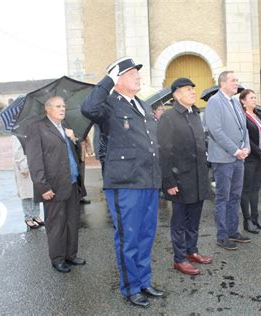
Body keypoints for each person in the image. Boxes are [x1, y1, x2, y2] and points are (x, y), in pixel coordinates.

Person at [81, 57, 164, 309]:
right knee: (129, 237)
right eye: (130, 74)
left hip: (148, 181)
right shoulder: (108, 104)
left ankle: (144, 281)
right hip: (125, 182)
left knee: (146, 235)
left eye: (137, 74)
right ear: (117, 80)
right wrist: (108, 79)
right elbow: (88, 109)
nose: (138, 77)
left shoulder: (142, 105)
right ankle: (131, 288)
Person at [157, 77, 212, 276]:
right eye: (187, 89)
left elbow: (200, 146)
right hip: (179, 179)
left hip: (198, 178)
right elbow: (164, 151)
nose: (192, 92)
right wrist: (168, 181)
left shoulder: (195, 114)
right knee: (179, 222)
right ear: (176, 94)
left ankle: (192, 250)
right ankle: (179, 259)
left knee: (194, 219)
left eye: (192, 89)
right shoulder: (168, 117)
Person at [25, 96, 86, 273]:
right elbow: (35, 160)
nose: (62, 109)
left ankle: (70, 255)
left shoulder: (66, 129)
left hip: (72, 183)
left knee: (72, 222)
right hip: (53, 186)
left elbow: (74, 155)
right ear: (48, 109)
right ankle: (57, 258)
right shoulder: (37, 128)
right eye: (58, 106)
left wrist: (74, 139)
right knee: (56, 225)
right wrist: (42, 187)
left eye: (64, 106)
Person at [204, 70, 251, 251]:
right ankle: (222, 236)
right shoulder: (215, 102)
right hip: (224, 159)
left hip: (239, 157)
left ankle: (233, 231)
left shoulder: (235, 102)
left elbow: (243, 128)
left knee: (235, 196)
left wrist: (245, 147)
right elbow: (215, 131)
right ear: (222, 83)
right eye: (233, 80)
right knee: (222, 197)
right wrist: (235, 150)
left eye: (237, 80)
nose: (236, 83)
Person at [239, 89, 261, 234]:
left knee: (255, 190)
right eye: (251, 98)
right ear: (243, 101)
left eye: (254, 97)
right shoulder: (243, 117)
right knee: (246, 190)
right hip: (250, 158)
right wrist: (260, 153)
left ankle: (255, 218)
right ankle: (247, 220)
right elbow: (247, 140)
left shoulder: (257, 115)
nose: (254, 99)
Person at [11, 135, 43, 230]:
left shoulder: (31, 130)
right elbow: (17, 152)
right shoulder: (17, 134)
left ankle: (36, 215)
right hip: (24, 165)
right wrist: (24, 166)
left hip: (33, 163)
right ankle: (28, 217)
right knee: (26, 193)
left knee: (35, 191)